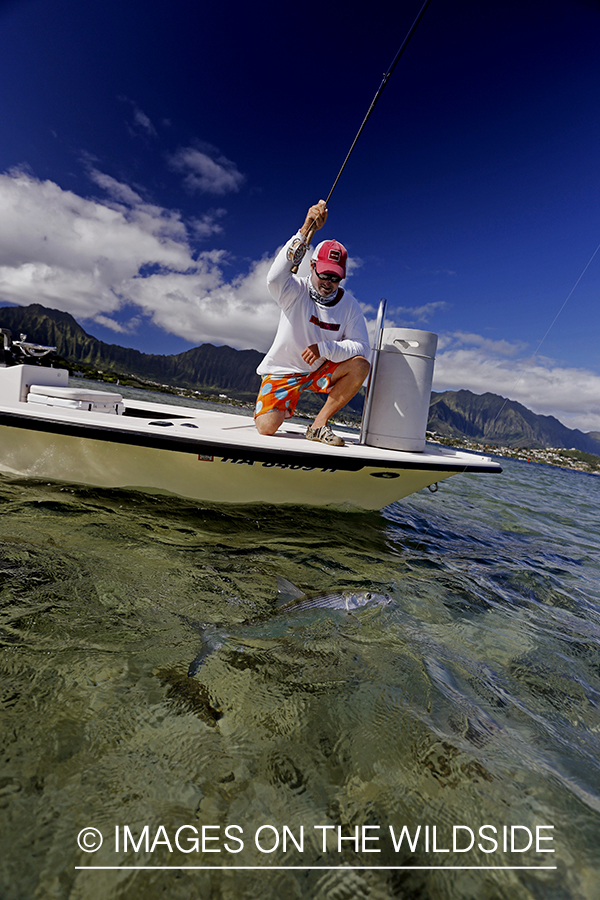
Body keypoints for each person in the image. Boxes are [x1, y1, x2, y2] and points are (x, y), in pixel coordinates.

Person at [254, 200, 370, 446]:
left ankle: (318, 426)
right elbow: (274, 277)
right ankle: (285, 401)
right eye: (324, 274)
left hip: (320, 370)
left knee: (360, 366)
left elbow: (362, 348)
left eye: (336, 277)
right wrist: (306, 228)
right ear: (312, 266)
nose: (328, 282)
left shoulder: (350, 305)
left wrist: (325, 348)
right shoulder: (294, 290)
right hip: (283, 371)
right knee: (266, 428)